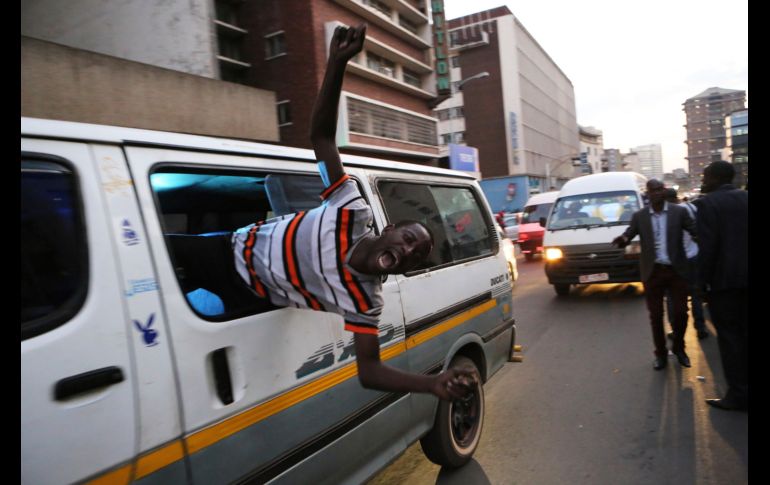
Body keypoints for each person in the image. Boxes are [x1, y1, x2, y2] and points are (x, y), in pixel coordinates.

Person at [230, 24, 474, 401]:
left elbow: (370, 372)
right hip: (224, 249)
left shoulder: (365, 301)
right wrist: (337, 63)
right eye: (409, 239)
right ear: (388, 229)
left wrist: (430, 384)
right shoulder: (349, 206)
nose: (408, 251)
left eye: (414, 256)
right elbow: (322, 139)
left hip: (245, 294)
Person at [611, 179, 697, 371]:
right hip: (653, 272)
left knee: (681, 312)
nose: (657, 193)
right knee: (656, 315)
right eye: (653, 190)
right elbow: (629, 233)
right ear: (647, 194)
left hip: (676, 271)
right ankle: (660, 354)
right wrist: (623, 240)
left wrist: (704, 236)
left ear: (664, 191)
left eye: (660, 189)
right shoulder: (640, 216)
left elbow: (694, 229)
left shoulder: (679, 212)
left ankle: (679, 348)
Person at [695, 161, 748, 411]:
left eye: (705, 177)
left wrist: (700, 283)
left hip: (724, 283)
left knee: (730, 339)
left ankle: (738, 395)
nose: (703, 181)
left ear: (715, 178)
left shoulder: (707, 204)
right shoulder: (745, 198)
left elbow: (708, 247)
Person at [663, 188, 708, 340]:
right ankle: (700, 327)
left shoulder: (668, 214)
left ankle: (676, 330)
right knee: (696, 294)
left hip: (676, 261)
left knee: (672, 296)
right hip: (694, 256)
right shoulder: (691, 207)